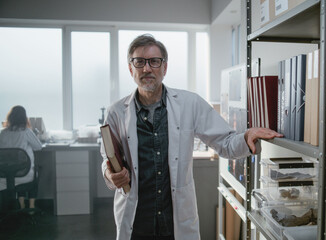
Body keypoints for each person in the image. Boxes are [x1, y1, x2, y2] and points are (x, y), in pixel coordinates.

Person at [100, 34, 283, 240]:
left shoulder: (189, 103)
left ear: (164, 67)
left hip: (176, 222)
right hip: (136, 222)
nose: (147, 69)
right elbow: (108, 160)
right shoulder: (116, 112)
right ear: (130, 68)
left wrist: (247, 135)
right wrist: (110, 176)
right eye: (139, 62)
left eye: (154, 61)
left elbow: (224, 142)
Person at [0, 105, 42, 209]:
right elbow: (38, 147)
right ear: (24, 118)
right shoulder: (26, 132)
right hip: (24, 176)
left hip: (4, 177)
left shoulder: (3, 133)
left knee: (17, 170)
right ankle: (31, 207)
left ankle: (21, 205)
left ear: (10, 118)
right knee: (34, 172)